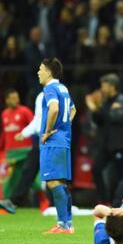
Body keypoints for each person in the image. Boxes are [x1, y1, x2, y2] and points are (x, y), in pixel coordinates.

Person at [38, 58, 76, 234]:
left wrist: (48, 131)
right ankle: (68, 224)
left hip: (53, 141)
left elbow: (54, 108)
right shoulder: (63, 88)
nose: (38, 72)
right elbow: (73, 110)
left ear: (48, 72)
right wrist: (63, 126)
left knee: (53, 182)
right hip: (64, 139)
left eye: (40, 69)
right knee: (59, 182)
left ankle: (63, 225)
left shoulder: (50, 89)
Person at [0, 92, 50, 214]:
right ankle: (9, 203)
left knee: (35, 176)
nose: (16, 100)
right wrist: (0, 150)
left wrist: (26, 134)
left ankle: (48, 203)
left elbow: (37, 122)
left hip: (27, 149)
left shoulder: (25, 111)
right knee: (11, 178)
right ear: (6, 100)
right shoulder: (4, 114)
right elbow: (4, 134)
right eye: (13, 98)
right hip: (12, 152)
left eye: (17, 97)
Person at [85, 73, 123, 204]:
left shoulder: (121, 100)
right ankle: (105, 201)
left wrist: (95, 108)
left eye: (104, 86)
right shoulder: (106, 101)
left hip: (118, 145)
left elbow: (113, 118)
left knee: (121, 175)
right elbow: (100, 121)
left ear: (112, 86)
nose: (102, 89)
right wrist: (95, 109)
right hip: (106, 145)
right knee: (96, 169)